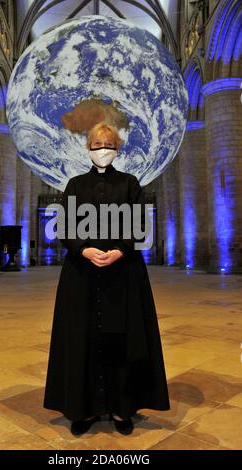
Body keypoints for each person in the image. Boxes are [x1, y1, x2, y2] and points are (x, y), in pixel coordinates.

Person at [43, 122, 170, 436]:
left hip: (122, 273)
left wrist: (119, 250)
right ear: (88, 147)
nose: (103, 149)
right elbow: (65, 227)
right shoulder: (74, 185)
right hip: (81, 273)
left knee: (121, 340)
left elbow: (139, 224)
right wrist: (84, 250)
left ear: (118, 148)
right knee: (81, 339)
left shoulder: (130, 184)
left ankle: (121, 408)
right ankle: (81, 410)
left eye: (109, 143)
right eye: (97, 143)